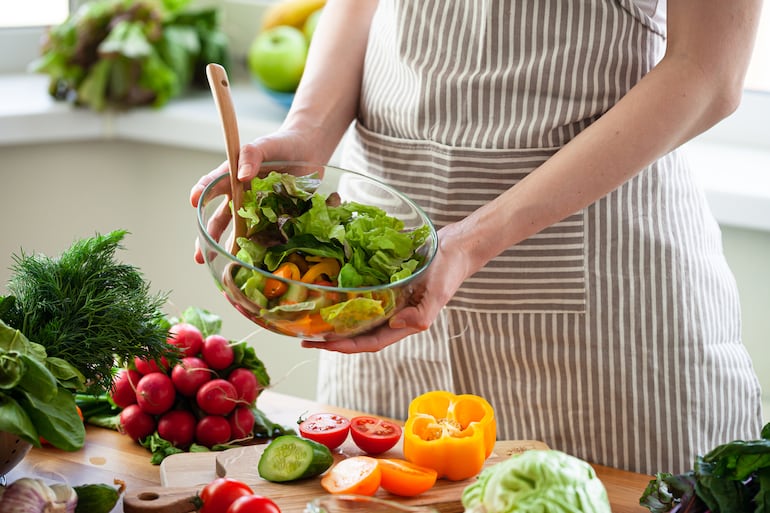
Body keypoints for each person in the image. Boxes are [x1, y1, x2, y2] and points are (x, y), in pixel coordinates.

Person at [191, 0, 765, 475]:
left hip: (601, 305)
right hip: (387, 292)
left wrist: (471, 241)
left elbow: (707, 72)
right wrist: (309, 133)